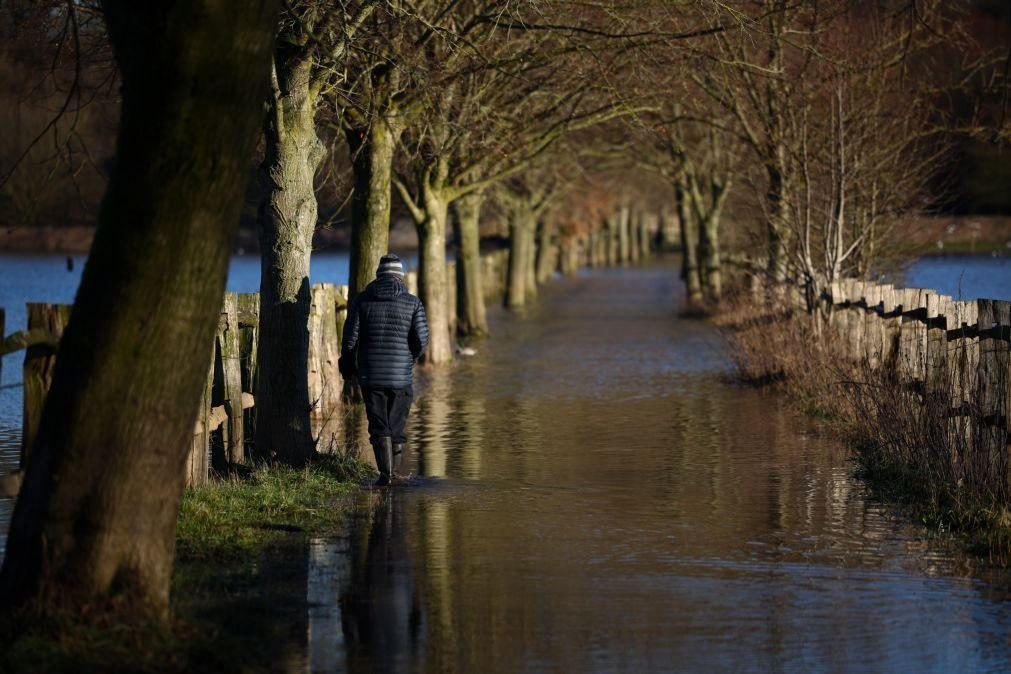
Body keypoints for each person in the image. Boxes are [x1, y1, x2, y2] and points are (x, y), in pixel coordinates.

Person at [339, 254, 429, 485]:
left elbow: (350, 338)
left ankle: (385, 476)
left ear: (378, 276)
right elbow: (421, 340)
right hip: (401, 379)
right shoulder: (413, 302)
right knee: (397, 427)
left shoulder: (362, 300)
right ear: (400, 276)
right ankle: (394, 476)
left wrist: (347, 365)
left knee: (379, 426)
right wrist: (409, 360)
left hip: (371, 376)